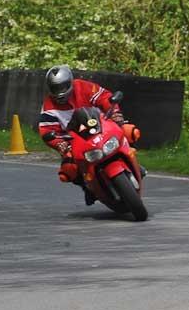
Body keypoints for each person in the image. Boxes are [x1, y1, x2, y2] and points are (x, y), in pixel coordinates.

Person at [38, 65, 127, 205]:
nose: (59, 92)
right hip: (74, 141)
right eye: (55, 88)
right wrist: (60, 144)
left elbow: (104, 97)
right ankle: (87, 188)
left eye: (62, 87)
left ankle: (132, 158)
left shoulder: (84, 87)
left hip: (101, 127)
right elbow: (46, 130)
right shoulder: (49, 106)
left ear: (70, 83)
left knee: (129, 130)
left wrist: (114, 112)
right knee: (68, 169)